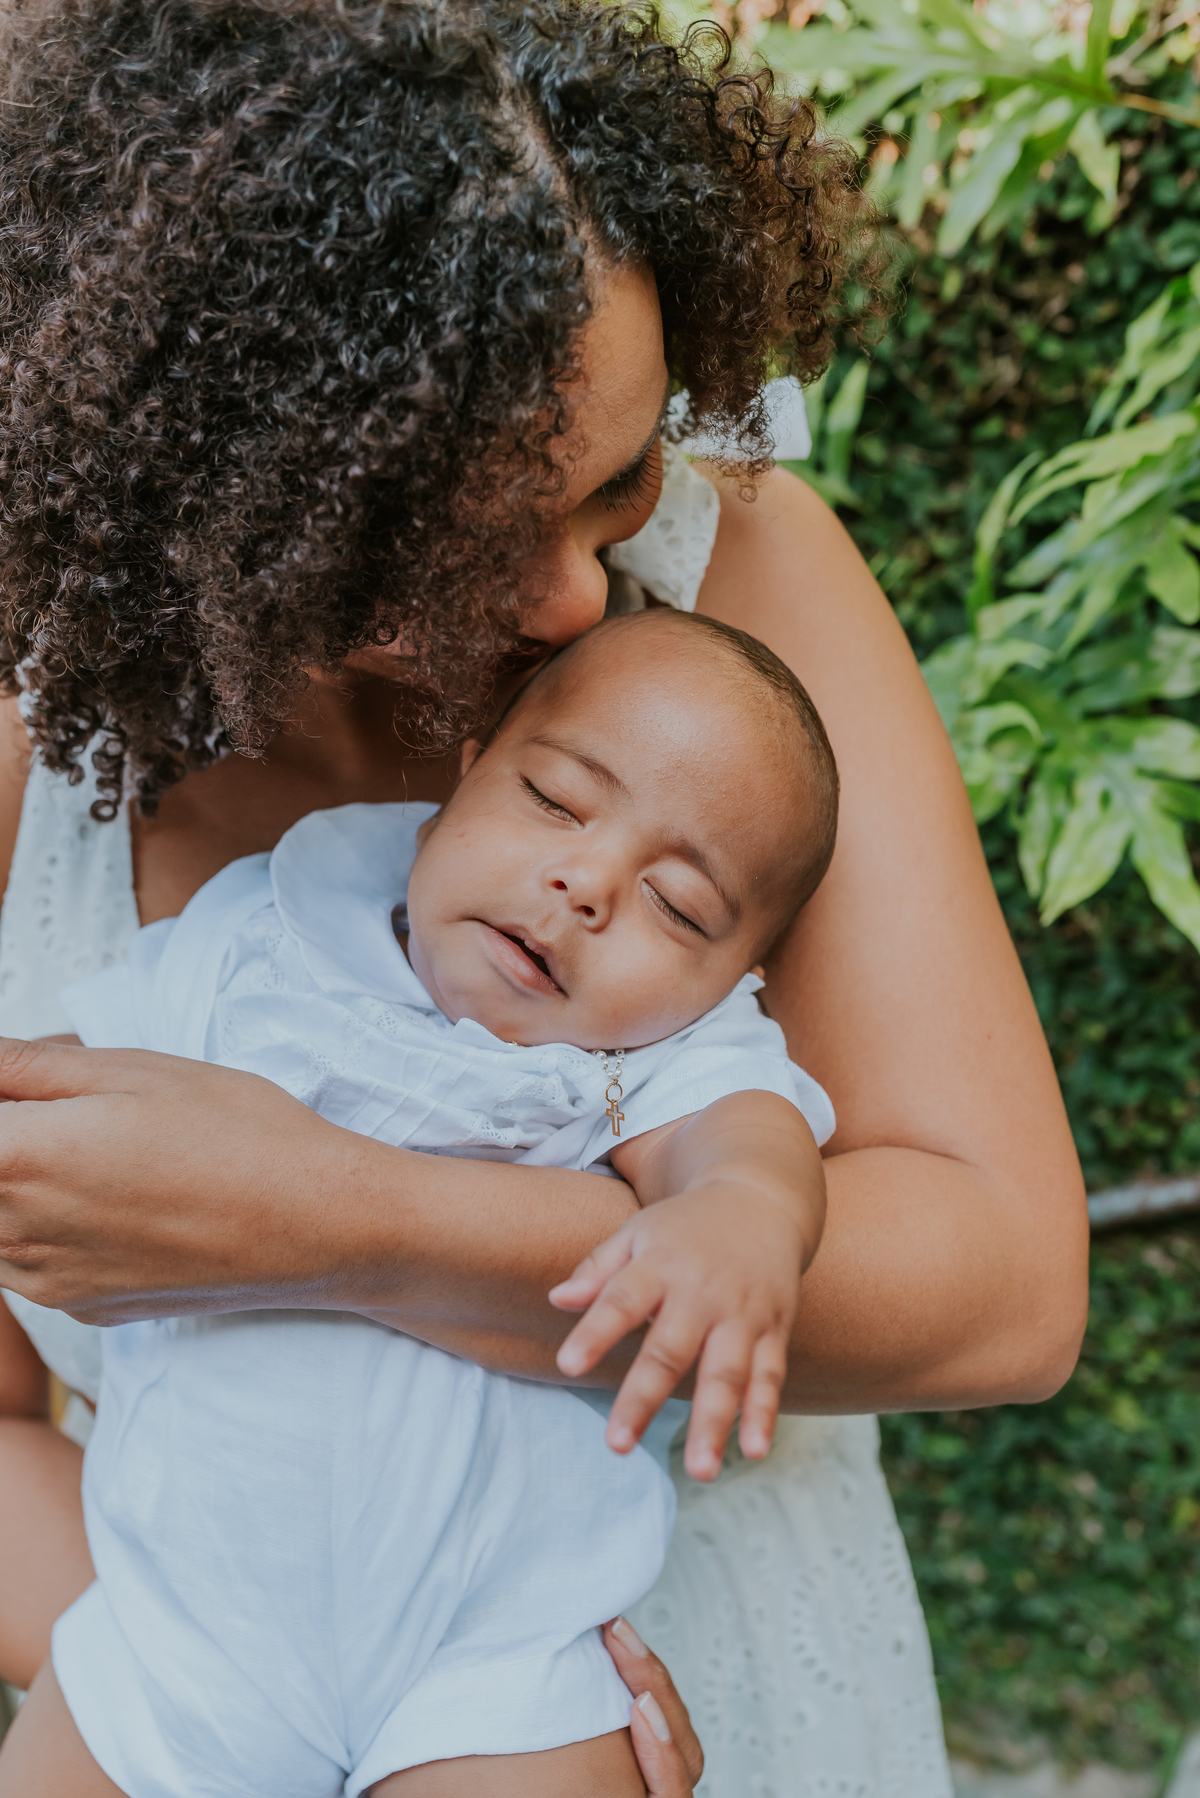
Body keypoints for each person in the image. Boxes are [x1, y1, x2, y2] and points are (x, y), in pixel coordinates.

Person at [0, 1, 1089, 1792]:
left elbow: (1005, 1284)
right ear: (219, 497)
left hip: (691, 1714)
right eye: (454, 541)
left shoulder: (744, 585)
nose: (587, 601)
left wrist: (334, 1217)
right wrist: (280, 1699)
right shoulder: (43, 737)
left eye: (616, 477)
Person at [7, 610, 838, 1795]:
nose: (590, 882)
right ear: (468, 769)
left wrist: (746, 1215)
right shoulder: (256, 932)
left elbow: (743, 1136)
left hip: (495, 1676)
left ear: (734, 976)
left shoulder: (649, 1057)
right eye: (555, 799)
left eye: (681, 907)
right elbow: (65, 1090)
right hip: (176, 1635)